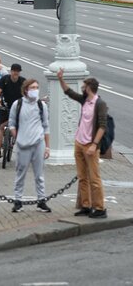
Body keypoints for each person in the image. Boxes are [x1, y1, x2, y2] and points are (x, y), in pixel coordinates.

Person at [57, 69, 108, 219]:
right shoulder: (84, 100)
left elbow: (102, 126)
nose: (82, 89)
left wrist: (94, 144)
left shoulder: (100, 103)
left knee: (94, 178)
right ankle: (86, 206)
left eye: (84, 87)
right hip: (79, 143)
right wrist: (61, 79)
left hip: (90, 145)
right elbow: (69, 92)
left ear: (89, 88)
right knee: (82, 177)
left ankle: (99, 208)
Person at [8, 79, 51, 213]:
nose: (35, 90)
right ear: (26, 90)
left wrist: (47, 146)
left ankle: (41, 200)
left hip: (38, 143)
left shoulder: (41, 105)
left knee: (39, 174)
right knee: (20, 173)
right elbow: (12, 123)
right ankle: (18, 200)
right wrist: (17, 136)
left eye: (37, 87)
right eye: (32, 87)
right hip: (23, 144)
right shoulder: (18, 104)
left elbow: (46, 126)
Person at [0, 64, 25, 156]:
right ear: (11, 71)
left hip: (19, 107)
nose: (15, 73)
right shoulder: (5, 80)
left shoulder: (23, 81)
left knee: (21, 126)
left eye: (17, 71)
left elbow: (27, 93)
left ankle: (20, 147)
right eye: (14, 70)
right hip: (6, 106)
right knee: (0, 126)